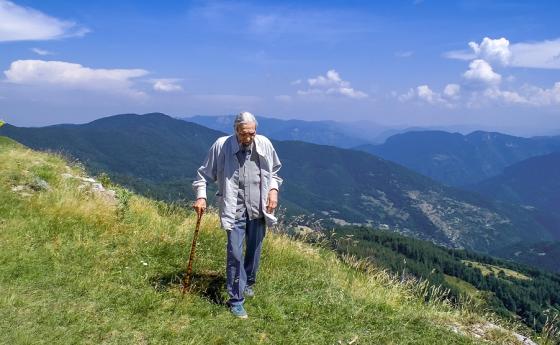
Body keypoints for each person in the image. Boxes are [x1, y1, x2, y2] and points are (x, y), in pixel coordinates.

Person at [192, 111, 282, 319]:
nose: (248, 138)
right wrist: (201, 197)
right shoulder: (222, 146)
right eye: (244, 134)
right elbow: (202, 175)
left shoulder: (264, 144)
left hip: (259, 209)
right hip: (234, 209)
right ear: (235, 131)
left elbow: (275, 172)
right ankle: (236, 299)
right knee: (234, 252)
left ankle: (248, 282)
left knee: (254, 249)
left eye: (252, 133)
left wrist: (273, 190)